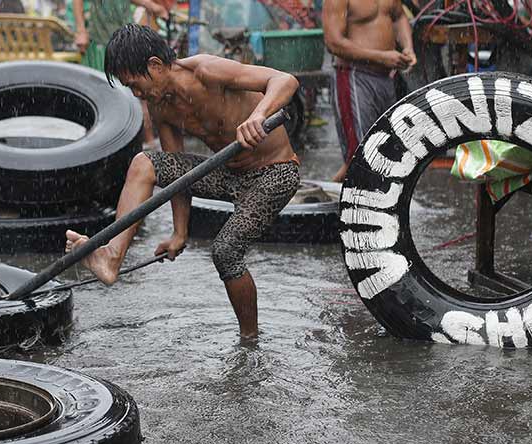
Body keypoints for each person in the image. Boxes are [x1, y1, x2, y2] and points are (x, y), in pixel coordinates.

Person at [64, 24, 301, 339]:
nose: (137, 95)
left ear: (155, 66)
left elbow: (285, 80)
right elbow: (179, 177)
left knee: (226, 250)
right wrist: (179, 232)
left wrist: (258, 115)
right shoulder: (160, 106)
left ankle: (250, 340)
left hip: (276, 172)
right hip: (230, 175)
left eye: (136, 85)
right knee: (144, 163)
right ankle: (111, 255)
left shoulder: (206, 70)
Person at [322, 0, 416, 182]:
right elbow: (333, 42)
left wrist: (408, 47)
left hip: (386, 78)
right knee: (360, 157)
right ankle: (329, 207)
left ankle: (375, 204)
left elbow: (398, 16)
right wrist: (381, 57)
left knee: (387, 152)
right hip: (354, 77)